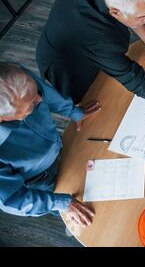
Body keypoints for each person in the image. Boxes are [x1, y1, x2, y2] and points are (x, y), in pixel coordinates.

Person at [0, 63, 100, 226]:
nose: (40, 99)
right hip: (41, 181)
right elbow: (11, 199)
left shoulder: (16, 79)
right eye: (31, 105)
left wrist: (73, 111)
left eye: (36, 94)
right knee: (88, 216)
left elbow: (44, 92)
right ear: (4, 118)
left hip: (59, 147)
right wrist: (62, 203)